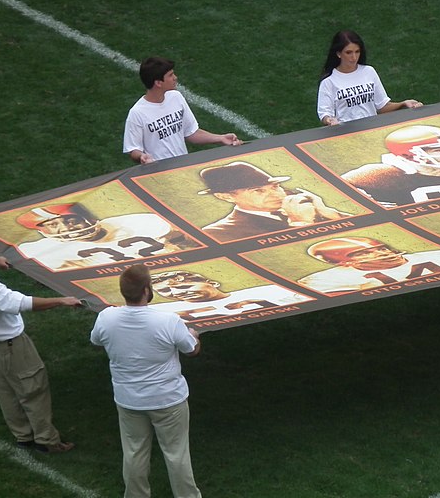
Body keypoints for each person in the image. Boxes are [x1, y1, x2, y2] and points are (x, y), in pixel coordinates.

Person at [90, 264, 202, 498]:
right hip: (168, 400)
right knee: (176, 454)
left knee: (134, 453)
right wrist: (194, 336)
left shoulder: (107, 317)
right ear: (147, 290)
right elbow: (191, 350)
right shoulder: (167, 320)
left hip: (129, 400)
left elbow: (96, 341)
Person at [0, 234, 81, 453]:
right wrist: (61, 300)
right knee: (33, 387)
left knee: (5, 388)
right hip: (10, 344)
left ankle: (23, 435)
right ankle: (47, 440)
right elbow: (22, 303)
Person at [123, 56, 243, 164]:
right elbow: (133, 149)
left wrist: (220, 138)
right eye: (170, 75)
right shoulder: (137, 113)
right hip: (158, 175)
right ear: (158, 83)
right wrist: (141, 156)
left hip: (182, 169)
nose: (175, 78)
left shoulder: (176, 97)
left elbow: (191, 132)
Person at [16, 202, 198, 271]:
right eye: (53, 225)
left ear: (88, 218)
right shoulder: (40, 250)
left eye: (71, 220)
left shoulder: (136, 222)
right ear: (43, 231)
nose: (65, 228)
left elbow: (188, 239)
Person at [199, 161, 350, 242]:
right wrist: (300, 223)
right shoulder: (217, 233)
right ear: (226, 196)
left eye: (275, 186)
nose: (276, 194)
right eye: (258, 190)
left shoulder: (304, 205)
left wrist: (332, 214)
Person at [298, 236, 440, 295]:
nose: (381, 253)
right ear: (344, 262)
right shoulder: (325, 280)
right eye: (365, 253)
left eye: (381, 248)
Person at [317, 30, 423, 125]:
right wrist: (330, 120)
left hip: (372, 130)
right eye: (348, 52)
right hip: (346, 135)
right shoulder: (329, 82)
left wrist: (403, 103)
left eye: (357, 52)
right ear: (339, 54)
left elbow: (381, 107)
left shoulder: (369, 72)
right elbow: (325, 114)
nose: (354, 57)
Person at [148, 270, 311, 321]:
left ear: (213, 283)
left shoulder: (269, 290)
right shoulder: (160, 311)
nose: (177, 293)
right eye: (168, 292)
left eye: (184, 286)